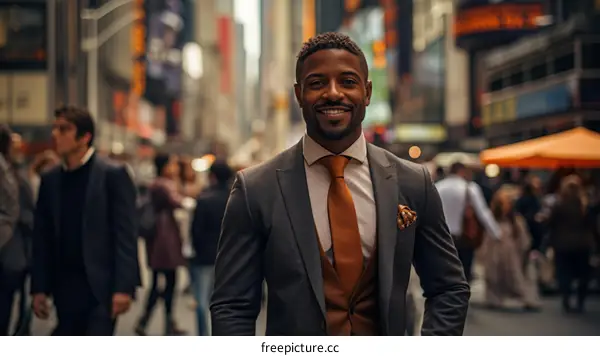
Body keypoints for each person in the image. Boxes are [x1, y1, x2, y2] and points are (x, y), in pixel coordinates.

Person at [210, 32, 470, 336]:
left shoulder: (413, 182)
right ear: (298, 94)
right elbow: (232, 305)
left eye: (347, 81)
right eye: (317, 83)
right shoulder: (255, 189)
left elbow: (449, 288)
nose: (333, 93)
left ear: (368, 92)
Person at [31, 106, 140, 336]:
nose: (56, 134)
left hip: (100, 288)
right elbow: (42, 237)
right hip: (64, 288)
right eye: (55, 128)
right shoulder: (50, 180)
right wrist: (39, 288)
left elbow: (126, 234)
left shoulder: (113, 174)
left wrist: (124, 288)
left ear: (85, 137)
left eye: (64, 129)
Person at [135, 154, 187, 336]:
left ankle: (157, 321)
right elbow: (179, 201)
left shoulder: (160, 183)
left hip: (160, 239)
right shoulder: (162, 185)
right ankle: (158, 321)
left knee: (162, 282)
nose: (175, 167)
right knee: (166, 282)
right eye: (171, 164)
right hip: (163, 240)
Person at [436, 162, 501, 282]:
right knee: (464, 274)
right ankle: (462, 297)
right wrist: (496, 233)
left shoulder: (438, 187)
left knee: (445, 273)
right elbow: (483, 212)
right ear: (462, 171)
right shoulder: (469, 188)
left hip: (442, 237)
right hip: (464, 237)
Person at [190, 160, 233, 335]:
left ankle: (204, 336)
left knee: (201, 301)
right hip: (229, 258)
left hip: (205, 257)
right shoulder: (236, 198)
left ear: (212, 176)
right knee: (225, 303)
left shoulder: (204, 200)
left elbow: (196, 232)